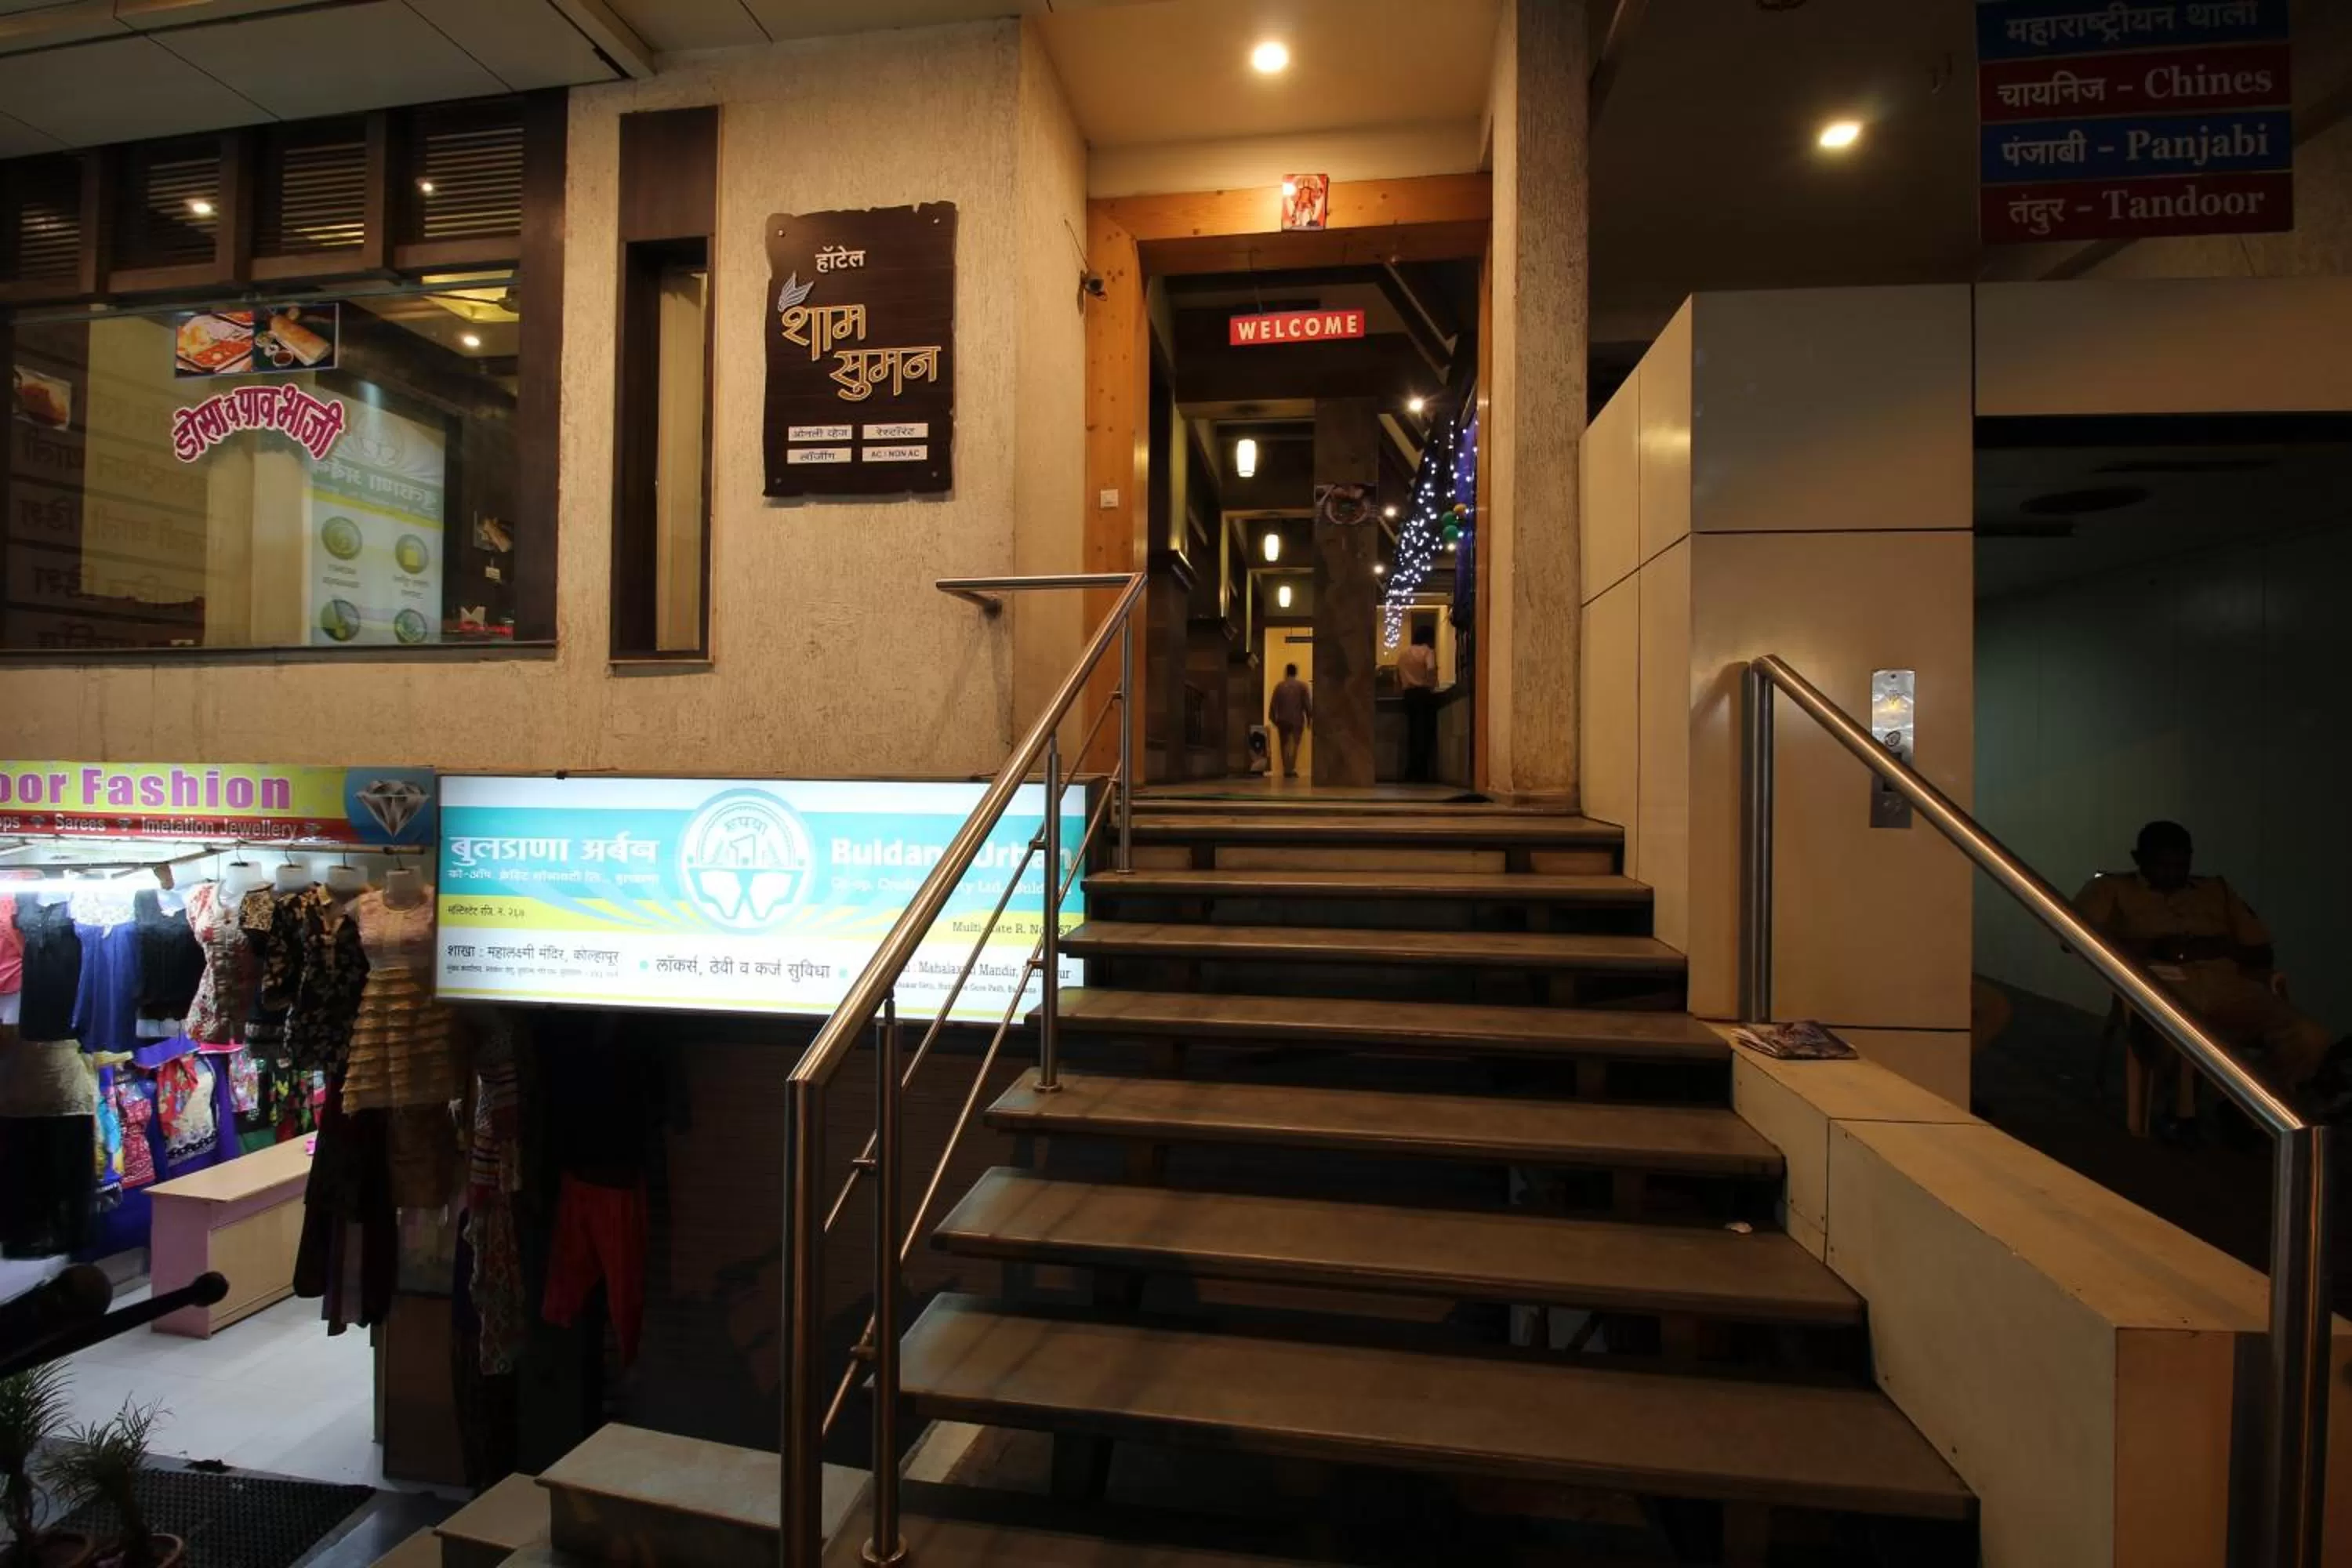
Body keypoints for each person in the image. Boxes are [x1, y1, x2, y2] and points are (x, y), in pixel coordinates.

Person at [2073, 820, 2347, 1127]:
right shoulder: (2111, 889)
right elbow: (2075, 940)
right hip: (2162, 987)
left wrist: (2220, 947)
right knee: (2179, 1026)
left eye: (2181, 864)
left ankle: (2255, 1104)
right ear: (2138, 858)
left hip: (2229, 988)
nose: (2173, 873)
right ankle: (2180, 1115)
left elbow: (2262, 951)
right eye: (2162, 865)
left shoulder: (2215, 890)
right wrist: (2153, 946)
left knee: (2310, 1037)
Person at [1398, 624, 1439, 782]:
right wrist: (1432, 684)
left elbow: (1398, 676)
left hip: (1408, 695)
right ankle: (1422, 772)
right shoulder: (1427, 652)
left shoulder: (1403, 654)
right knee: (1424, 734)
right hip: (1423, 695)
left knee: (1412, 733)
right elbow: (1430, 670)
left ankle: (1411, 771)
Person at [1268, 664, 1312, 780]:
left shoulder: (1280, 686)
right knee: (1294, 744)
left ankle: (1286, 769)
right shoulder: (1302, 687)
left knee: (1284, 744)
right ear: (1296, 673)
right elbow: (1307, 704)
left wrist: (1273, 719)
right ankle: (1291, 768)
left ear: (1286, 672)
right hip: (1297, 720)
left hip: (1282, 720)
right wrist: (1309, 719)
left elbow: (1273, 705)